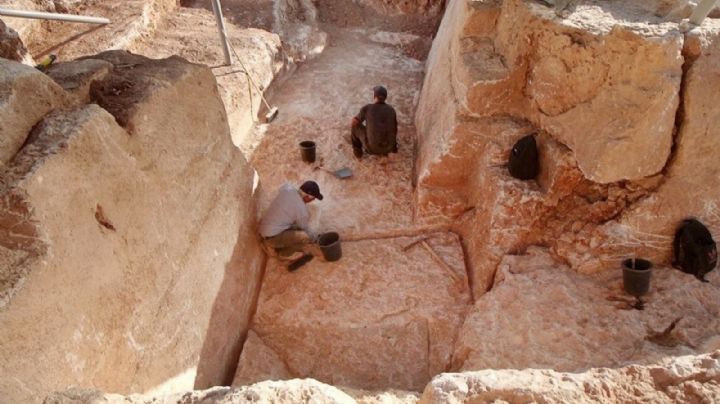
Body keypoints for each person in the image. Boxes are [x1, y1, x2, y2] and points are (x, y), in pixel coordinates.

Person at [259, 181, 323, 266]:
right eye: (313, 198)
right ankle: (282, 253)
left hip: (265, 228)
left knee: (294, 226)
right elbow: (303, 227)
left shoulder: (288, 188)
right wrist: (314, 238)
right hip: (271, 238)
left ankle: (277, 243)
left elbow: (282, 189)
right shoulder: (301, 211)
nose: (313, 200)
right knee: (305, 237)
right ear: (307, 196)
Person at [350, 85, 398, 158]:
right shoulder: (391, 110)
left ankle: (358, 154)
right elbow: (395, 129)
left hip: (371, 149)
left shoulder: (367, 108)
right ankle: (386, 151)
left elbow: (354, 122)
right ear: (385, 97)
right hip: (389, 148)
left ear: (374, 96)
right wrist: (394, 148)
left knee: (355, 126)